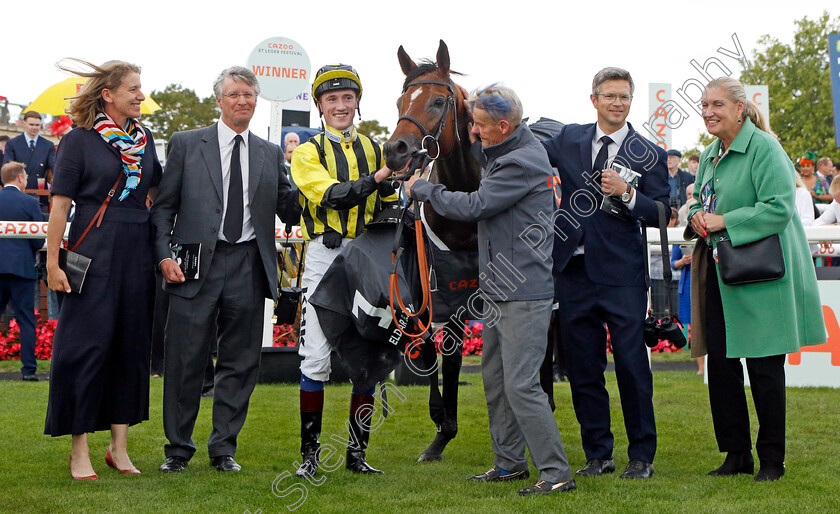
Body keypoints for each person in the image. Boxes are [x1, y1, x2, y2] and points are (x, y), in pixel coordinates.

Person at [405, 84, 575, 496]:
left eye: (480, 125)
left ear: (503, 126)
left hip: (523, 293)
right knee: (496, 381)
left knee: (520, 384)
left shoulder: (520, 162)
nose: (474, 132)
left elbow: (474, 206)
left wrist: (423, 189)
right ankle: (509, 463)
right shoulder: (508, 148)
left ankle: (556, 473)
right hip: (500, 288)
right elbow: (472, 156)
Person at [150, 66, 299, 474]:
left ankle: (223, 449)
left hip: (249, 265)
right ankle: (178, 449)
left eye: (249, 94)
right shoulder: (184, 144)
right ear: (219, 100)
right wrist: (164, 256)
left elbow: (290, 205)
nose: (243, 101)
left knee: (241, 361)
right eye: (234, 94)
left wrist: (313, 180)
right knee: (185, 358)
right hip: (192, 268)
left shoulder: (271, 154)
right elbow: (162, 209)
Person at [687, 76, 824, 482]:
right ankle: (736, 455)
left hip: (763, 277)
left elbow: (778, 208)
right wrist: (696, 212)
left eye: (717, 105)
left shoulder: (766, 148)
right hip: (720, 273)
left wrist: (723, 220)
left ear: (740, 108)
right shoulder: (710, 153)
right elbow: (698, 197)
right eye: (704, 104)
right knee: (724, 369)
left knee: (765, 371)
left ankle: (771, 461)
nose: (708, 112)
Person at [542, 67, 670, 480]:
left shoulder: (648, 152)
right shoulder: (569, 139)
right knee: (582, 368)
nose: (618, 103)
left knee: (633, 365)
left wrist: (629, 194)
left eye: (625, 97)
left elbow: (663, 213)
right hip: (573, 271)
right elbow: (527, 153)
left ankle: (641, 456)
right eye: (611, 96)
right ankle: (598, 453)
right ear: (594, 99)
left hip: (622, 275)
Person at [44, 59, 162, 480]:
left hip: (136, 251)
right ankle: (80, 450)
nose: (141, 96)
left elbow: (153, 188)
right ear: (108, 94)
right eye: (133, 89)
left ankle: (119, 448)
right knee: (86, 349)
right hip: (90, 250)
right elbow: (60, 205)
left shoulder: (146, 140)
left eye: (141, 88)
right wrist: (53, 260)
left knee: (130, 349)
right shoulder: (77, 141)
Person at [290, 64, 399, 477]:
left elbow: (388, 201)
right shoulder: (306, 152)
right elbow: (334, 196)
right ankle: (310, 458)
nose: (341, 105)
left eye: (347, 98)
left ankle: (356, 456)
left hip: (365, 257)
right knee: (316, 356)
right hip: (323, 256)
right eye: (332, 99)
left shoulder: (374, 147)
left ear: (357, 101)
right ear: (319, 105)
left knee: (366, 352)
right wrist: (385, 173)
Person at [0, 161, 44, 380]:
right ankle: (28, 370)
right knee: (26, 320)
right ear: (19, 178)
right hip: (22, 269)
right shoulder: (29, 202)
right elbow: (38, 240)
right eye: (26, 177)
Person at [2, 111, 56, 213]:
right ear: (24, 123)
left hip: (40, 195)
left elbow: (54, 167)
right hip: (18, 194)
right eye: (31, 124)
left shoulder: (48, 145)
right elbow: (7, 168)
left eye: (37, 125)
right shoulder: (12, 144)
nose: (34, 127)